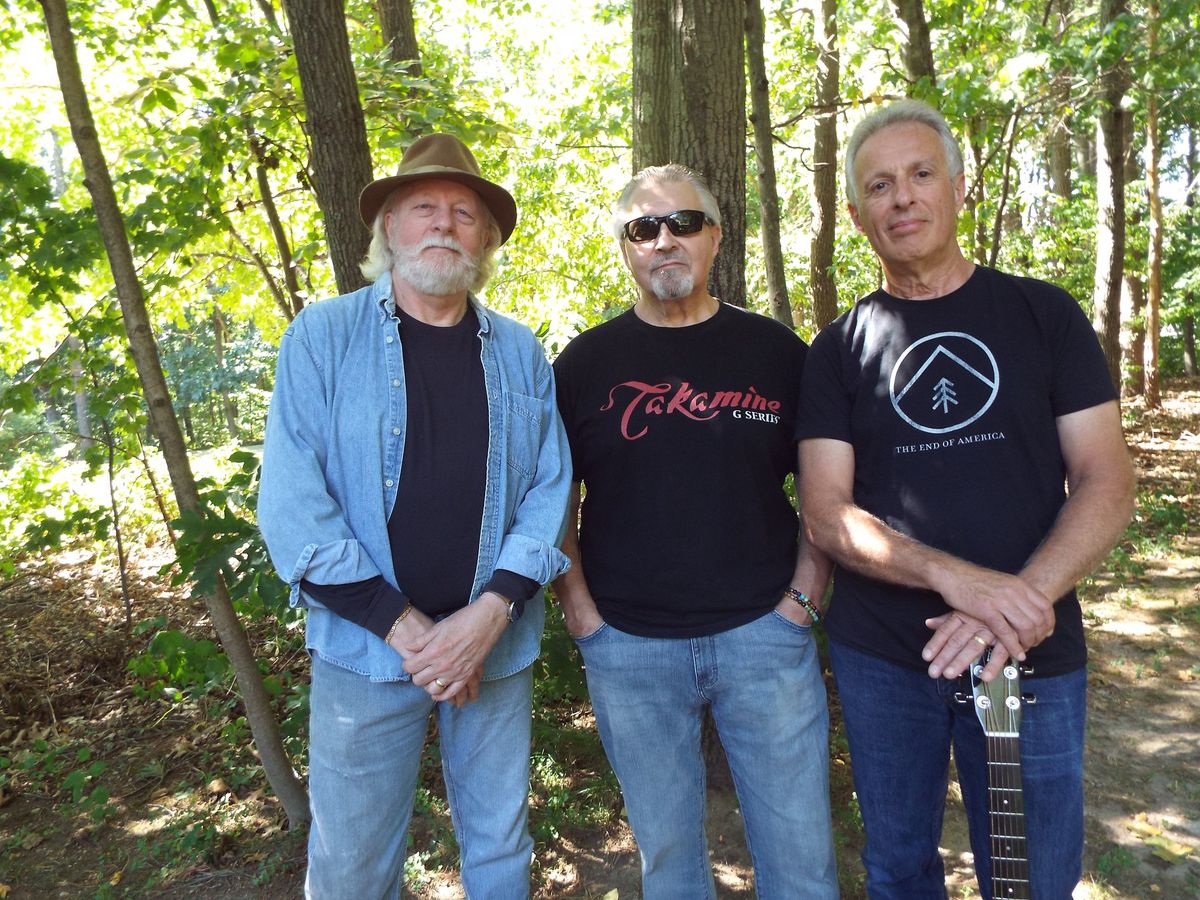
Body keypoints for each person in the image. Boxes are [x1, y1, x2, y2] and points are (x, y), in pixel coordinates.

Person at [797, 99, 1136, 899]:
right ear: (855, 214)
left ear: (960, 187)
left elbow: (1107, 479)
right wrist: (960, 580)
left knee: (1034, 877)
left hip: (1033, 651)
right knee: (899, 868)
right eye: (879, 186)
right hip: (884, 659)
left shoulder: (1043, 315)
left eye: (921, 175)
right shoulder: (838, 349)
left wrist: (1012, 602)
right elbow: (826, 513)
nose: (903, 197)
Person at [257, 133, 571, 899]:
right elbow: (293, 503)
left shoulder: (522, 352)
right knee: (353, 868)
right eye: (423, 207)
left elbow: (552, 489)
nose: (444, 224)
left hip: (492, 649)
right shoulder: (323, 338)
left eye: (465, 213)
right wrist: (411, 632)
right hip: (365, 654)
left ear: (486, 240)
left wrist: (487, 618)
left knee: (501, 850)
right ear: (388, 227)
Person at [552, 163, 839, 899]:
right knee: (669, 863)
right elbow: (553, 502)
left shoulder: (777, 354)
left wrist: (803, 601)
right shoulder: (583, 365)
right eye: (643, 229)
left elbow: (823, 489)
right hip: (629, 649)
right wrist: (581, 613)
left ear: (715, 237)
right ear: (625, 248)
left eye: (683, 223)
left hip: (764, 641)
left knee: (801, 860)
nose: (664, 241)